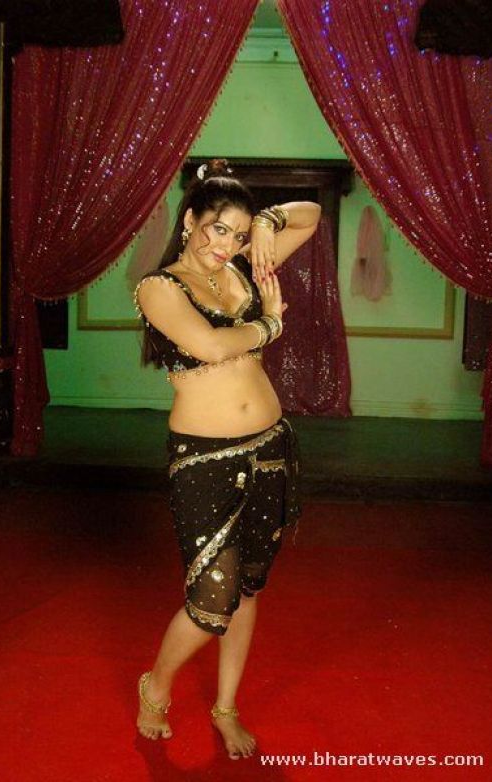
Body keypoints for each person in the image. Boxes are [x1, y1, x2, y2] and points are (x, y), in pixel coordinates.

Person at [133, 158, 321, 760]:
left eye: (237, 236)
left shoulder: (241, 267)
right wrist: (270, 325)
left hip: (269, 449)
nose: (226, 245)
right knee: (212, 597)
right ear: (190, 220)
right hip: (204, 461)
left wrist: (264, 224)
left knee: (247, 589)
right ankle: (156, 686)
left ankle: (226, 707)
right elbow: (212, 345)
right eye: (218, 228)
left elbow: (310, 217)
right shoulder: (159, 288)